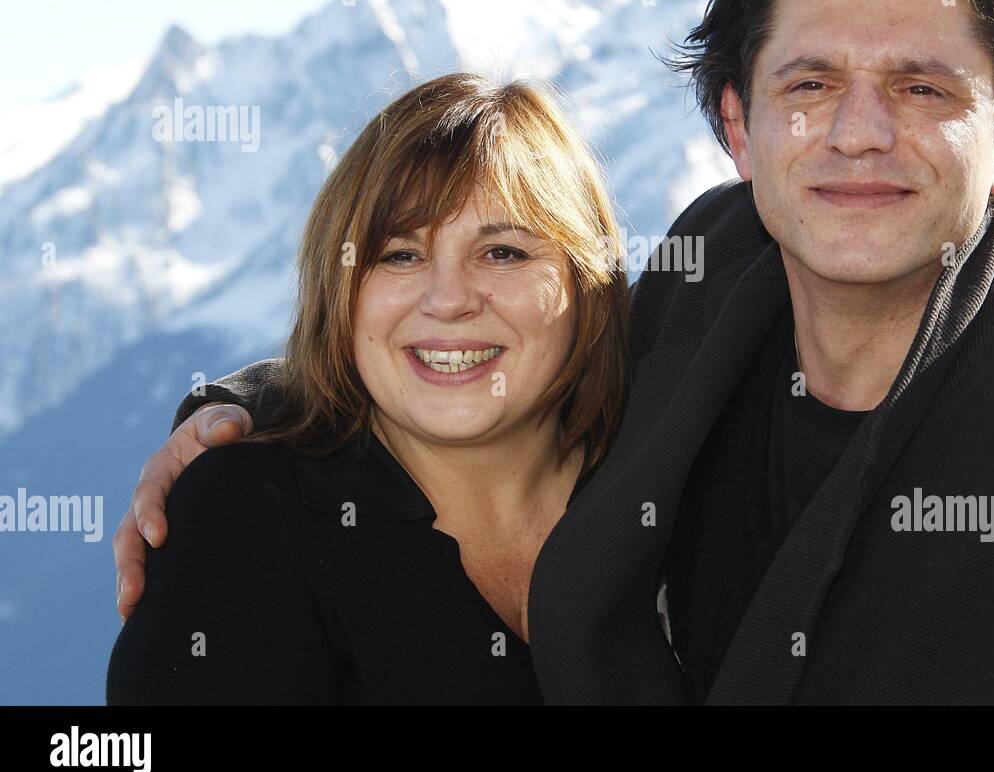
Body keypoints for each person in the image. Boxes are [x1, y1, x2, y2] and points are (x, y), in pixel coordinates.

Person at [114, 0, 994, 704]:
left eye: (925, 87)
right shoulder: (714, 275)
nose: (860, 133)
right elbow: (501, 337)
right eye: (811, 83)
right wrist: (250, 408)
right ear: (736, 126)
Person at [107, 72, 630, 703]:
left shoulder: (671, 477)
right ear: (341, 294)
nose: (449, 300)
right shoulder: (245, 519)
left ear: (588, 282)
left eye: (504, 253)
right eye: (400, 256)